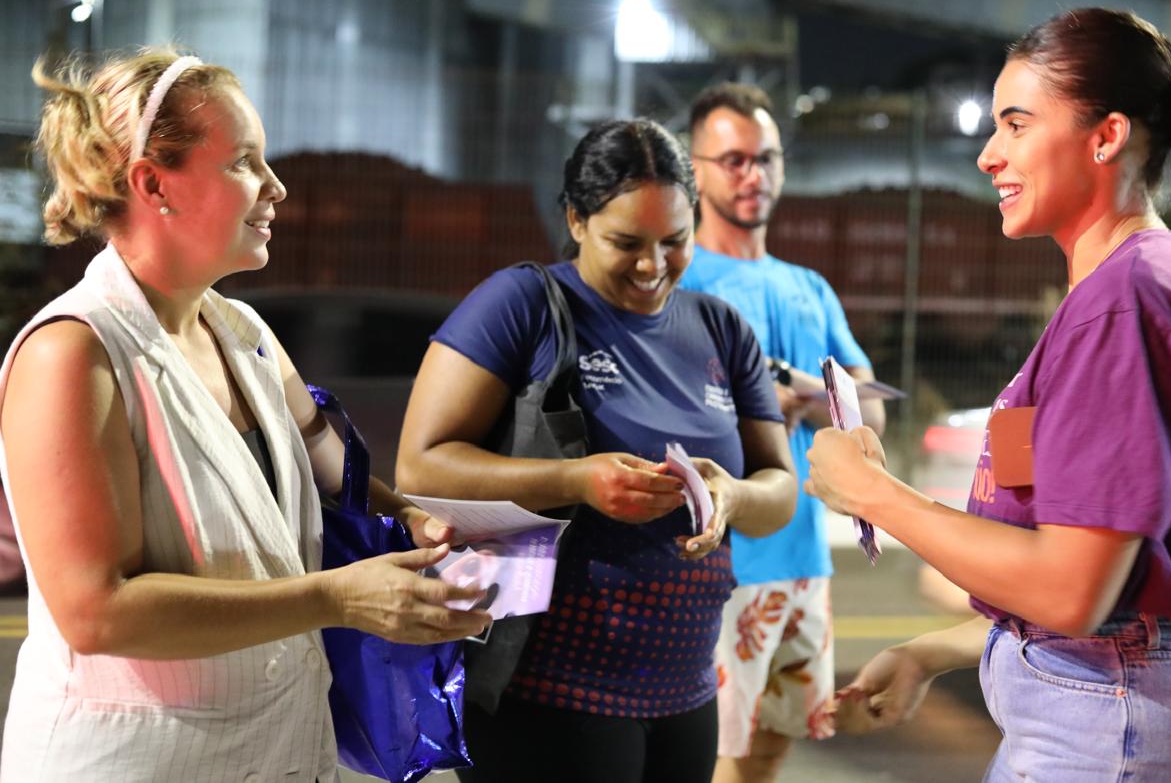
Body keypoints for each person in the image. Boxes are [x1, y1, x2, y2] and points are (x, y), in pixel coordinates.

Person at [0, 49, 491, 782]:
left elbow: (339, 481)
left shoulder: (245, 334)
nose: (276, 186)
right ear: (153, 184)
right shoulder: (74, 353)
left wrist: (415, 522)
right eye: (244, 162)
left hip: (274, 752)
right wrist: (336, 597)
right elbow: (97, 612)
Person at [808, 8, 1171, 781]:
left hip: (1114, 733)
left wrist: (873, 495)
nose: (988, 154)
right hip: (1101, 721)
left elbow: (1073, 589)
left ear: (1106, 137)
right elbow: (1101, 586)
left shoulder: (1129, 302)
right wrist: (934, 650)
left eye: (1016, 124)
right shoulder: (1121, 289)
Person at [396, 118, 798, 783]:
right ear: (577, 220)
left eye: (675, 241)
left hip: (684, 690)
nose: (652, 265)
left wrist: (731, 494)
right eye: (626, 242)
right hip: (546, 692)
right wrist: (577, 479)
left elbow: (779, 490)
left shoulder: (721, 329)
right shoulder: (524, 303)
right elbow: (421, 465)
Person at [677, 82, 885, 783]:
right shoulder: (680, 279)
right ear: (695, 169)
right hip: (721, 562)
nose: (753, 174)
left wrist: (809, 394)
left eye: (765, 157)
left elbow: (873, 413)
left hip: (803, 556)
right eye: (733, 160)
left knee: (771, 747)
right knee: (717, 752)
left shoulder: (809, 287)